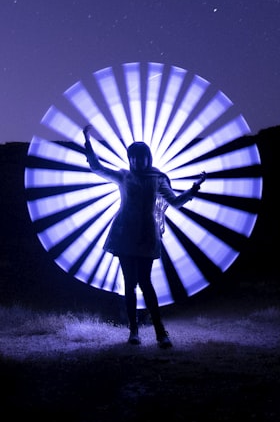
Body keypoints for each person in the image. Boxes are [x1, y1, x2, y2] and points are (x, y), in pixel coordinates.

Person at [82, 124, 204, 348]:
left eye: (142, 158)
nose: (139, 162)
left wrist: (194, 189)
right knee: (130, 283)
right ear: (130, 159)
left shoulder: (157, 178)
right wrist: (88, 141)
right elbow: (97, 168)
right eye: (134, 158)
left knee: (145, 283)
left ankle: (160, 332)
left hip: (147, 235)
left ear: (148, 157)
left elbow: (175, 202)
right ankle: (134, 331)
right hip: (124, 233)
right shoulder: (124, 176)